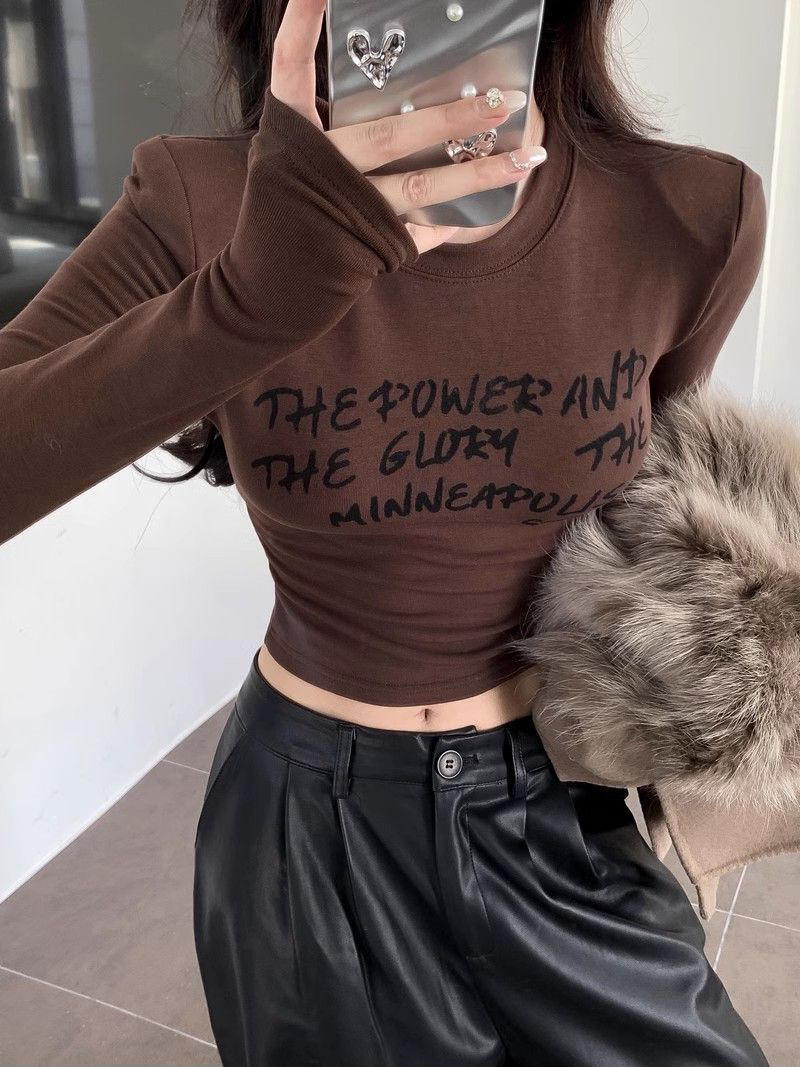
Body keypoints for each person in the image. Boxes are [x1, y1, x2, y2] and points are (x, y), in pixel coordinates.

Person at [0, 0, 770, 1063]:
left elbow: (649, 504)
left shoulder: (689, 212)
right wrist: (250, 299)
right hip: (307, 822)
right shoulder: (202, 196)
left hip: (558, 798)